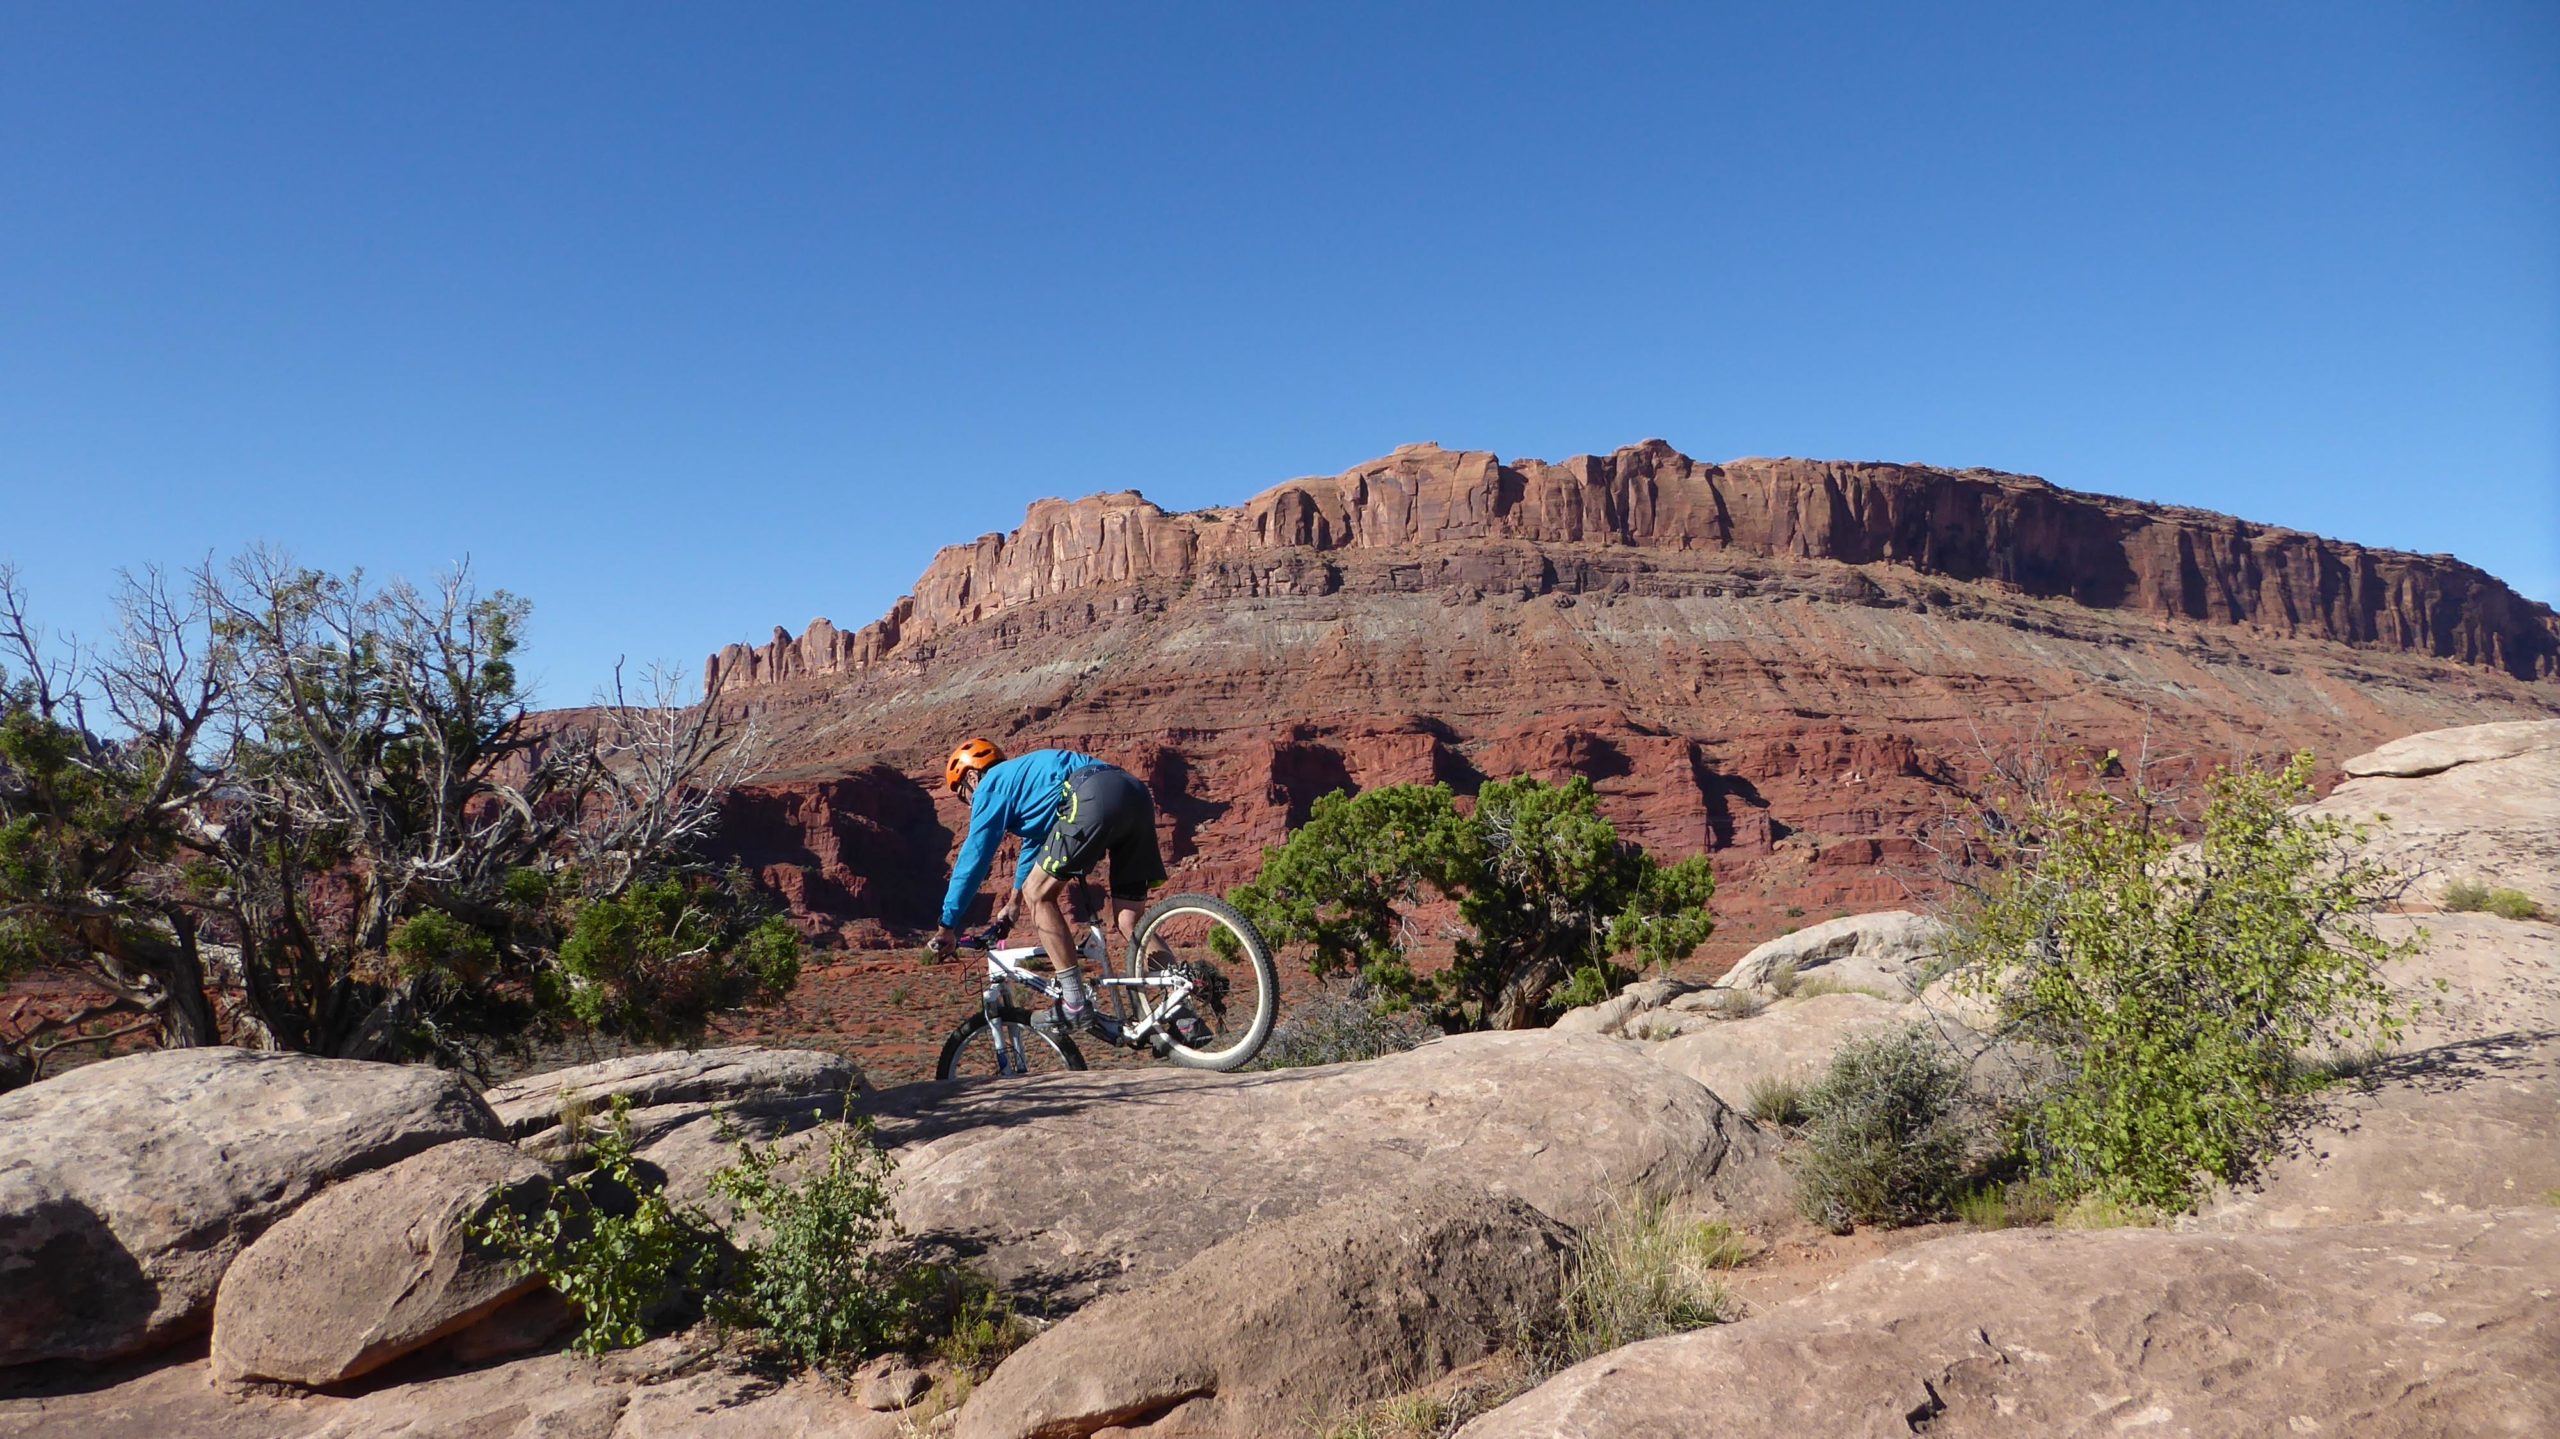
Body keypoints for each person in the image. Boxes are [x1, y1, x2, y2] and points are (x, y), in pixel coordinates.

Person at [925, 739, 1168, 1036]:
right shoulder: (1026, 782)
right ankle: (1182, 1006)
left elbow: (973, 859)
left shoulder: (991, 785)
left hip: (1091, 793)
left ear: (972, 777)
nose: (970, 805)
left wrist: (947, 924)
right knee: (1129, 921)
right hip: (1134, 793)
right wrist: (1013, 904)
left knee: (1039, 895)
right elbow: (1035, 848)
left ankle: (1074, 1003)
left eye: (964, 796)